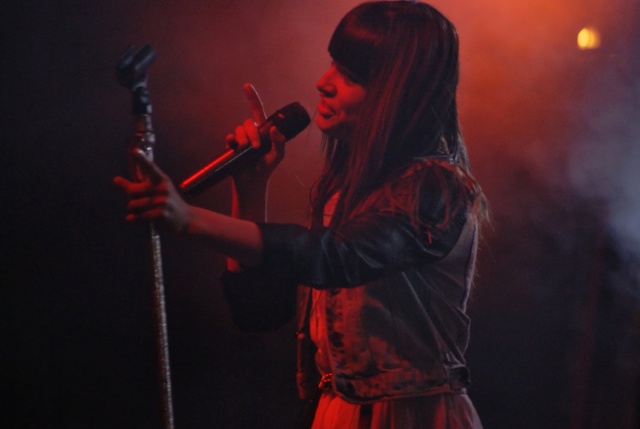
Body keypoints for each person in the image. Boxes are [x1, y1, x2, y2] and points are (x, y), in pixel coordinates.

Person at [114, 1, 487, 427]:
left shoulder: (436, 188)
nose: (323, 83)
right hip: (336, 414)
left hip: (414, 416)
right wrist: (250, 189)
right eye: (332, 64)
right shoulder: (339, 190)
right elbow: (258, 312)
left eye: (349, 76)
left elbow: (337, 257)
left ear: (400, 96)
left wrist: (190, 219)